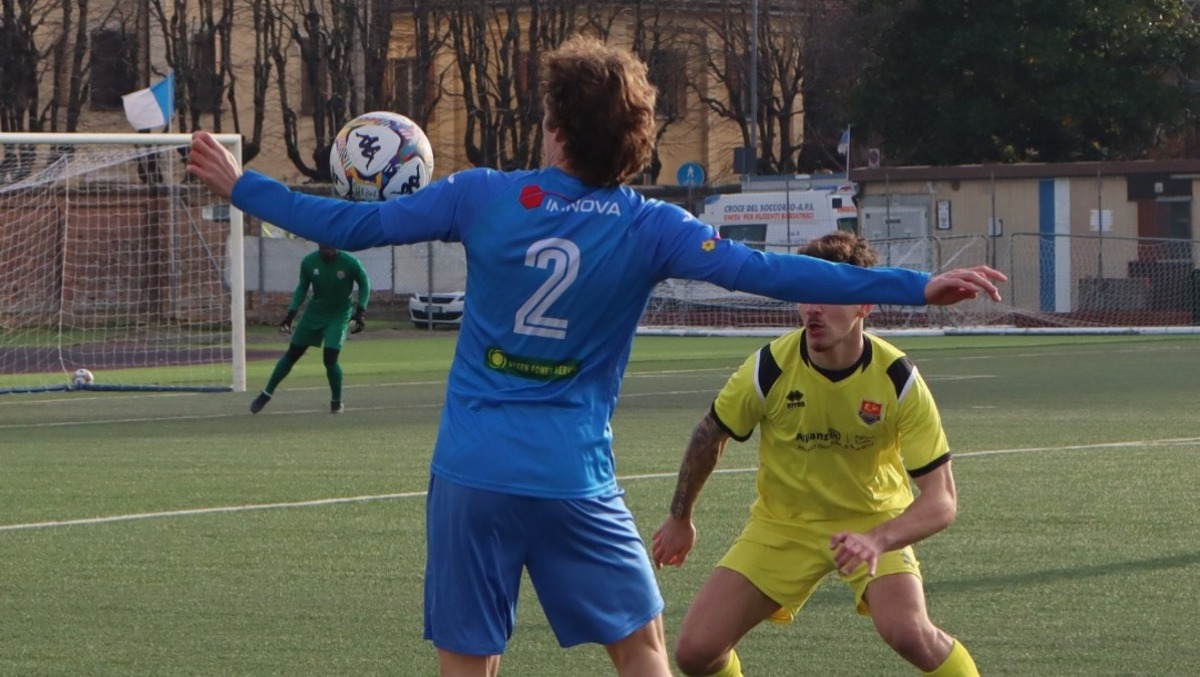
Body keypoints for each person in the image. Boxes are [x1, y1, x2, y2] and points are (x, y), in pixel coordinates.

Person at [187, 34, 1003, 677]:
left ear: (555, 126)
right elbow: (771, 270)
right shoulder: (652, 226)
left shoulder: (483, 196)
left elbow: (346, 227)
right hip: (574, 476)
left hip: (472, 471)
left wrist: (240, 186)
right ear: (637, 141)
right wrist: (913, 283)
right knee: (644, 651)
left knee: (468, 661)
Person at [652, 231, 980, 677]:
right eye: (805, 294)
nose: (812, 308)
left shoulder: (898, 379)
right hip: (783, 525)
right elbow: (709, 435)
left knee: (908, 632)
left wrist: (878, 539)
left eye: (830, 295)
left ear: (865, 304)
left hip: (872, 521)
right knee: (695, 653)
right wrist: (679, 516)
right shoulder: (768, 368)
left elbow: (942, 500)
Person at [249, 243, 369, 415]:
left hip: (338, 315)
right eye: (324, 247)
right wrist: (291, 314)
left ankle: (336, 401)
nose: (328, 251)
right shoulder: (309, 262)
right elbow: (302, 288)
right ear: (318, 245)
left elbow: (365, 284)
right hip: (314, 314)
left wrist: (360, 312)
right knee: (293, 353)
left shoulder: (350, 262)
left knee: (330, 357)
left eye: (331, 246)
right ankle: (266, 393)